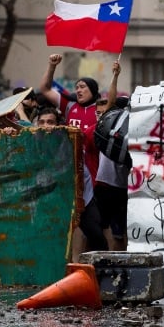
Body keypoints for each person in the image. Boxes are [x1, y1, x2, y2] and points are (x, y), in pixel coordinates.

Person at [39, 53, 102, 260]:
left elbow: (111, 101)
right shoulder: (69, 106)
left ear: (93, 90)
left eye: (83, 86)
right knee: (68, 225)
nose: (78, 90)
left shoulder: (99, 110)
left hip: (93, 175)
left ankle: (96, 264)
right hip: (67, 176)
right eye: (77, 87)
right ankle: (68, 264)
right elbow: (45, 89)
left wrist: (115, 76)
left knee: (95, 227)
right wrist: (51, 65)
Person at [93, 62, 131, 251]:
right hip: (105, 184)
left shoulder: (130, 131)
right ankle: (109, 260)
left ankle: (118, 263)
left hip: (120, 187)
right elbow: (110, 102)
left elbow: (111, 103)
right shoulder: (106, 126)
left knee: (119, 231)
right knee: (105, 228)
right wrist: (115, 76)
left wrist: (115, 76)